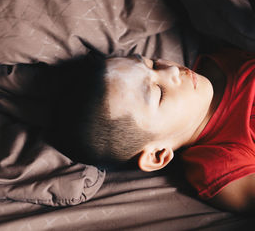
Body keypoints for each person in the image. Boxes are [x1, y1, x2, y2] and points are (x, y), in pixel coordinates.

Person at [55, 48, 254, 213]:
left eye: (153, 64)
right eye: (159, 92)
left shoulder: (216, 60)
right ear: (157, 154)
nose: (172, 71)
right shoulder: (220, 165)